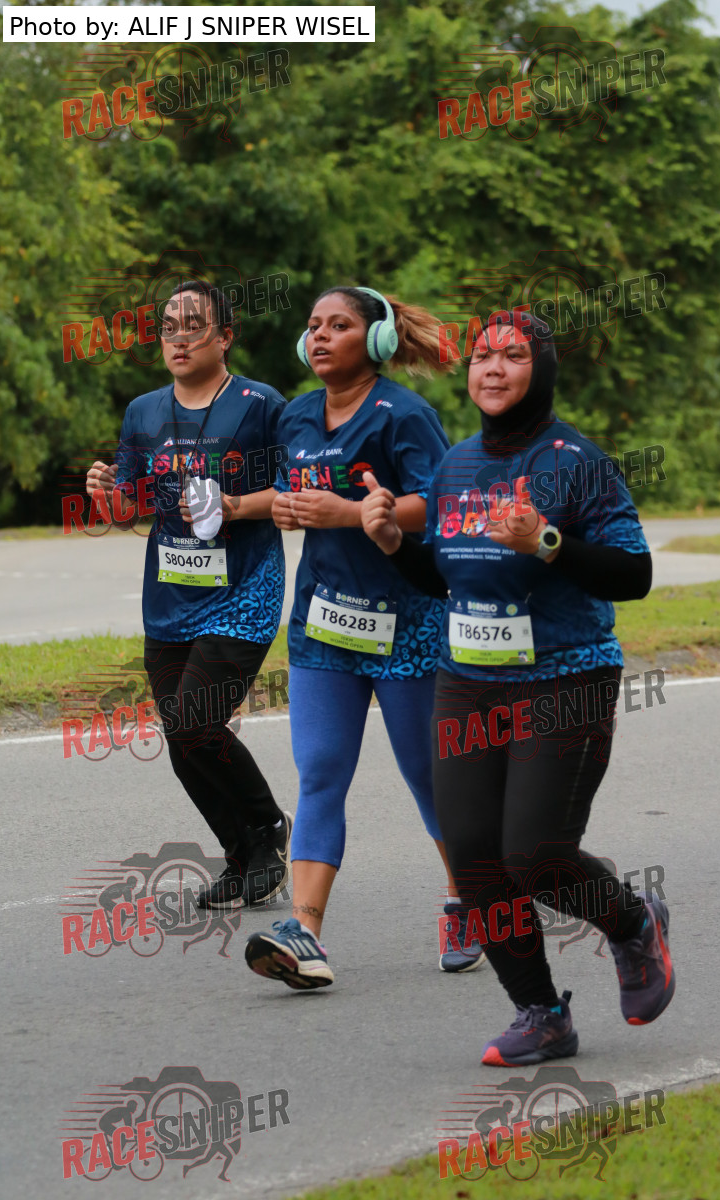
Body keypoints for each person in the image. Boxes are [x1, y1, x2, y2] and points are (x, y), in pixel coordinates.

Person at [360, 309, 674, 1064]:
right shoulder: (456, 465)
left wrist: (548, 542)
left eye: (512, 356)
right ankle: (540, 1013)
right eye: (481, 356)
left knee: (534, 855)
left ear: (543, 370)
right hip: (467, 682)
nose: (492, 369)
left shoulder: (577, 463)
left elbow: (634, 574)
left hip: (565, 678)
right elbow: (444, 578)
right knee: (474, 858)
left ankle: (632, 923)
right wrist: (394, 541)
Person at [244, 285, 486, 989]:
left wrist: (352, 514)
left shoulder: (403, 415)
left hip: (406, 623)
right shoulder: (294, 416)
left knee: (428, 776)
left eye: (339, 325)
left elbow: (442, 506)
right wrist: (284, 507)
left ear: (375, 340)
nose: (320, 336)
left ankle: (468, 900)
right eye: (313, 326)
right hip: (323, 623)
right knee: (320, 772)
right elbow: (292, 491)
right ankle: (304, 933)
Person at [85, 280, 292, 910]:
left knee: (194, 720)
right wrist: (106, 496)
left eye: (193, 324)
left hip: (243, 593)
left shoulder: (261, 405)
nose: (178, 337)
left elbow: (297, 491)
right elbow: (129, 506)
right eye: (168, 326)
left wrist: (236, 505)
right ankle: (243, 856)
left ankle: (268, 825)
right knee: (183, 738)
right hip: (170, 598)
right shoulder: (143, 412)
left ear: (224, 337)